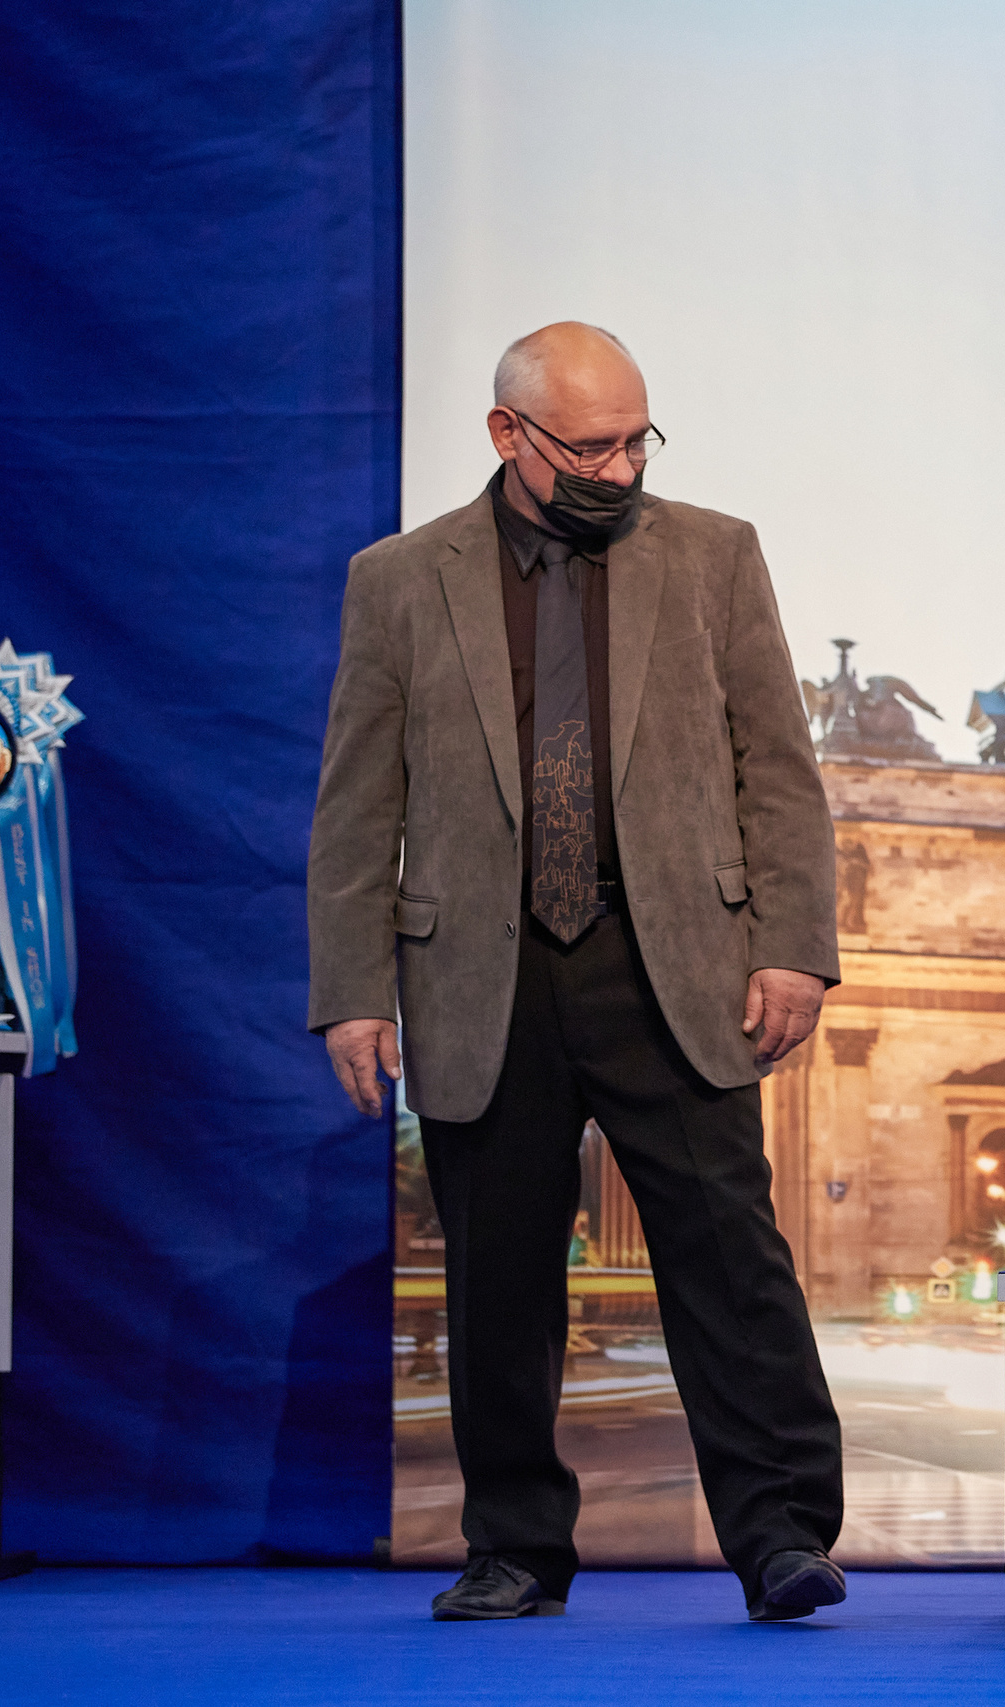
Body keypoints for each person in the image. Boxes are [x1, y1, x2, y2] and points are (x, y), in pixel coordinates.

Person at [307, 323, 848, 1624]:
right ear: (509, 435)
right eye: (590, 445)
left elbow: (777, 766)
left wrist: (793, 945)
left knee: (731, 1256)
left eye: (634, 439)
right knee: (496, 1272)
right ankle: (512, 1545)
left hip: (674, 961)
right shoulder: (398, 579)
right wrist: (353, 986)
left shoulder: (715, 554)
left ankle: (781, 1533)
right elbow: (354, 801)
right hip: (479, 975)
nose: (619, 465)